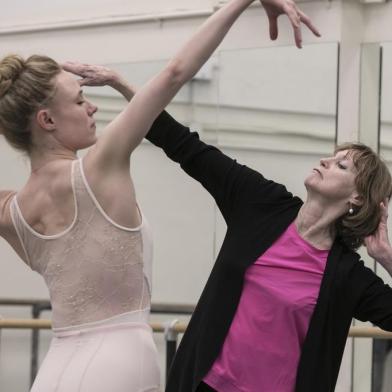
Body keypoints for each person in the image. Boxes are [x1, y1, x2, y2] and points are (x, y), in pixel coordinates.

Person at [0, 1, 318, 391]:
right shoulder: (100, 165)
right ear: (46, 120)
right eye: (80, 99)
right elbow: (174, 73)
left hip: (53, 371)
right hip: (119, 365)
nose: (92, 106)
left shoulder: (9, 210)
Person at [71, 28, 392, 392]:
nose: (325, 161)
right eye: (332, 157)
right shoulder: (262, 204)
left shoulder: (346, 274)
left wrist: (387, 258)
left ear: (357, 199)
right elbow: (187, 147)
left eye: (341, 166)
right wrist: (122, 85)